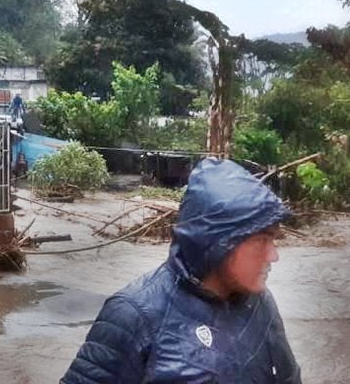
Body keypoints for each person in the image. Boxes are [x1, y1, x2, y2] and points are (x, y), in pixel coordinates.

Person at [61, 158, 301, 383]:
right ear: (219, 241)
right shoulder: (133, 315)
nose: (273, 255)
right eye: (261, 241)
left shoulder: (260, 304)